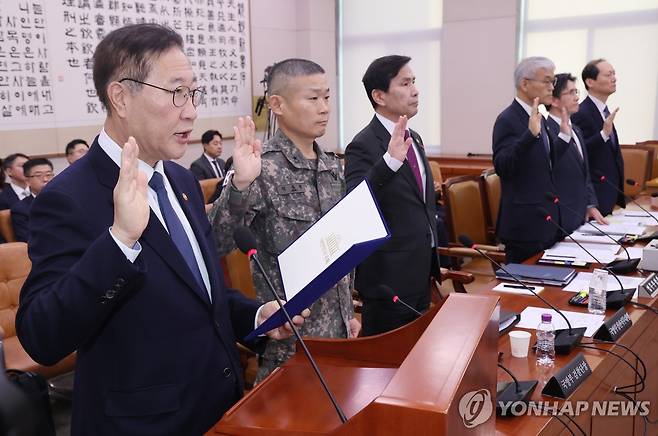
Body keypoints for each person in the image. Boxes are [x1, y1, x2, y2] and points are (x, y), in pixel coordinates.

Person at [15, 24, 305, 436]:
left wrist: (256, 315)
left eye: (192, 93)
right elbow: (41, 336)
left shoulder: (180, 181)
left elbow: (201, 293)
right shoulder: (68, 197)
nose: (190, 111)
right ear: (120, 97)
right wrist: (119, 242)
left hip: (218, 408)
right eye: (175, 93)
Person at [210, 58, 359, 382]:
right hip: (291, 344)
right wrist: (240, 185)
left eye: (327, 97)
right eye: (312, 98)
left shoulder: (332, 166)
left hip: (340, 337)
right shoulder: (260, 167)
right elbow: (216, 242)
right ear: (277, 104)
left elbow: (342, 248)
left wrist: (348, 311)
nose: (324, 108)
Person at [344, 55, 440, 336]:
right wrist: (388, 163)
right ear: (379, 96)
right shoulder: (362, 145)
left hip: (422, 269)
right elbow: (356, 202)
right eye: (405, 83)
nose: (415, 90)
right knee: (389, 368)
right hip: (389, 280)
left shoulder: (415, 137)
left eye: (414, 82)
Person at [492, 56, 571, 263]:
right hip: (524, 226)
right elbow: (503, 166)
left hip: (547, 219)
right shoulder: (507, 119)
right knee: (523, 292)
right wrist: (529, 135)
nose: (551, 87)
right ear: (524, 84)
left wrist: (564, 136)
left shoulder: (538, 117)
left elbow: (546, 161)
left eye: (552, 82)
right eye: (546, 81)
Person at [546, 73, 607, 234]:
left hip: (580, 218)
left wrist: (590, 205)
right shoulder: (547, 133)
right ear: (554, 100)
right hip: (559, 220)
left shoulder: (577, 131)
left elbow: (584, 175)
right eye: (570, 93)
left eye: (576, 92)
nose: (576, 97)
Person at [571, 59, 624, 216]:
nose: (614, 78)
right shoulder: (582, 112)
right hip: (596, 195)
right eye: (608, 75)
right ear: (590, 82)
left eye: (614, 74)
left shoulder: (604, 110)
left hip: (610, 193)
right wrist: (603, 135)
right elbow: (579, 152)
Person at [10, 158, 54, 242]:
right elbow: (27, 240)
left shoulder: (64, 201)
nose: (45, 179)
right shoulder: (20, 209)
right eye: (38, 176)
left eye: (48, 175)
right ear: (27, 181)